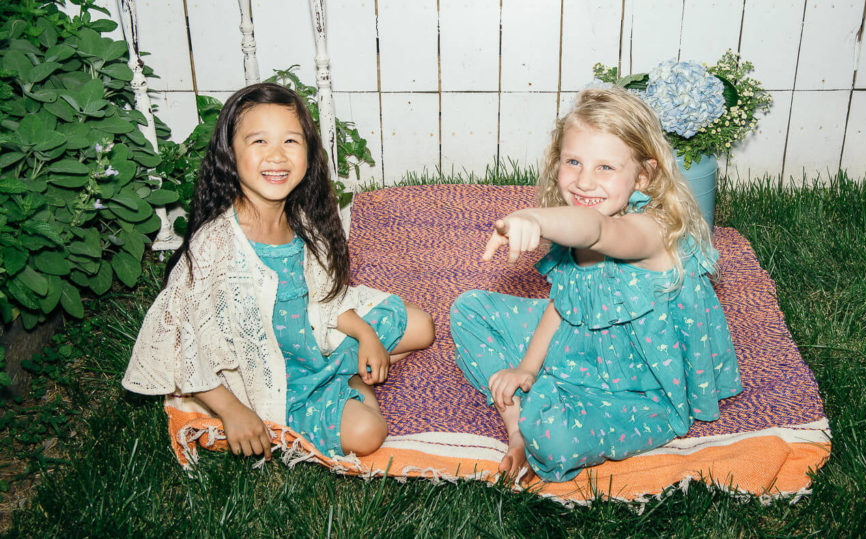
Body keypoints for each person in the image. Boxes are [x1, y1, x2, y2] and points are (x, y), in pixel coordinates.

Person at [123, 83, 434, 460]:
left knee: (421, 327)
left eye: (291, 141)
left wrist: (364, 332)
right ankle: (352, 383)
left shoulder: (299, 219)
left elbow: (322, 297)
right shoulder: (214, 247)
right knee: (368, 433)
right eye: (258, 142)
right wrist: (233, 411)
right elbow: (178, 345)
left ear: (309, 154)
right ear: (229, 155)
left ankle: (346, 369)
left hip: (316, 339)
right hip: (274, 380)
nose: (277, 156)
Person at [450, 87, 742, 482]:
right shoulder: (579, 220)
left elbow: (597, 230)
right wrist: (525, 370)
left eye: (605, 167)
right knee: (469, 309)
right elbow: (562, 302)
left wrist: (534, 219)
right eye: (573, 162)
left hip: (639, 390)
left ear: (643, 175)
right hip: (576, 343)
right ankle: (517, 425)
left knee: (553, 437)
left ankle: (536, 424)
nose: (585, 182)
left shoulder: (648, 230)